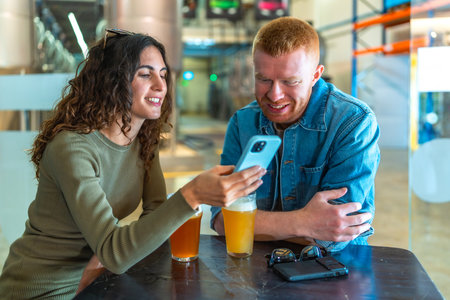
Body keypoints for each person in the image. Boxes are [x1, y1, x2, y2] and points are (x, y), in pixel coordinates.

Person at [0, 29, 266, 299]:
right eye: (145, 74)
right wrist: (192, 194)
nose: (161, 86)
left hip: (97, 280)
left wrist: (102, 258)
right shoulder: (72, 148)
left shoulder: (143, 142)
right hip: (43, 287)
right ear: (112, 81)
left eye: (163, 74)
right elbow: (116, 252)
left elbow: (155, 213)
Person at [211, 17, 380, 252]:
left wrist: (253, 225)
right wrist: (304, 222)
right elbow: (222, 220)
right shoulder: (243, 122)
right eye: (263, 79)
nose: (275, 95)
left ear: (315, 75)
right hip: (257, 268)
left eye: (290, 81)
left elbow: (335, 234)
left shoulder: (353, 122)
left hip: (337, 270)